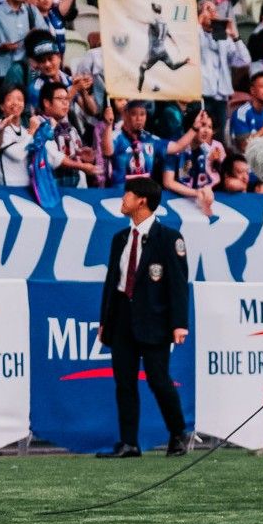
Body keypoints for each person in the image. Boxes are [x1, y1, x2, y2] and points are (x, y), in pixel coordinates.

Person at [98, 176, 191, 459]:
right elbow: (111, 282)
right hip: (122, 318)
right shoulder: (120, 239)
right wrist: (105, 320)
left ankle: (177, 434)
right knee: (124, 382)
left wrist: (179, 323)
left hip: (155, 319)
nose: (122, 200)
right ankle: (129, 442)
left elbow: (177, 282)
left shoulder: (169, 238)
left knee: (158, 379)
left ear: (142, 200)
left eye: (127, 195)